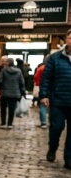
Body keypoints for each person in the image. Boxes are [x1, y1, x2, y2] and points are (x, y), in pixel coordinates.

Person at [39, 28, 71, 170]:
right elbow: (46, 78)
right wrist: (44, 95)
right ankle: (53, 147)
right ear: (67, 39)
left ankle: (69, 158)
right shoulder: (55, 58)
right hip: (58, 100)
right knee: (57, 127)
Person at [0, 57, 25, 130]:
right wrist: (22, 92)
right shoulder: (18, 71)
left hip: (4, 93)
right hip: (15, 93)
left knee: (3, 108)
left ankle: (3, 123)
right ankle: (10, 123)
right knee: (12, 109)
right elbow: (22, 82)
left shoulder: (4, 70)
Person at [34, 57, 47, 128]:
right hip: (54, 89)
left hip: (43, 87)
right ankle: (53, 122)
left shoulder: (41, 68)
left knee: (43, 105)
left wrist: (37, 84)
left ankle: (43, 122)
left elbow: (36, 77)